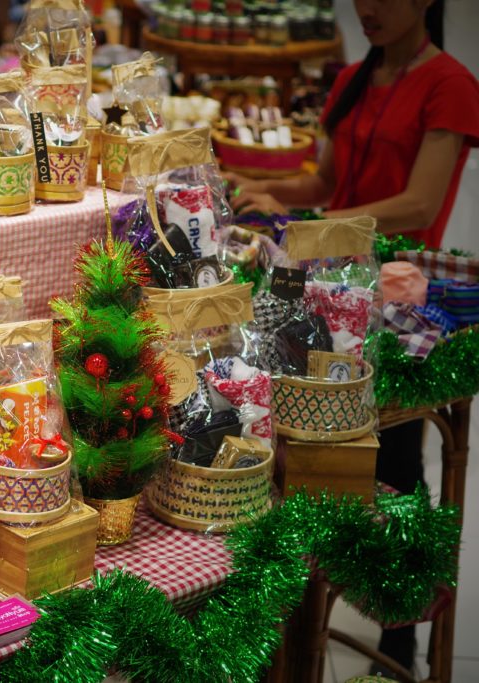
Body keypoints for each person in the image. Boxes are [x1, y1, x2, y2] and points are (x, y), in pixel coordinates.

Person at [227, 0, 479, 675]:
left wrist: (314, 221)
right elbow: (324, 181)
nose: (367, 8)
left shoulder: (450, 85)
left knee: (394, 462)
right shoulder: (351, 80)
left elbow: (420, 203)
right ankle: (297, 627)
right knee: (305, 454)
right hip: (326, 288)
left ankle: (402, 639)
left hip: (396, 294)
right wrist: (263, 187)